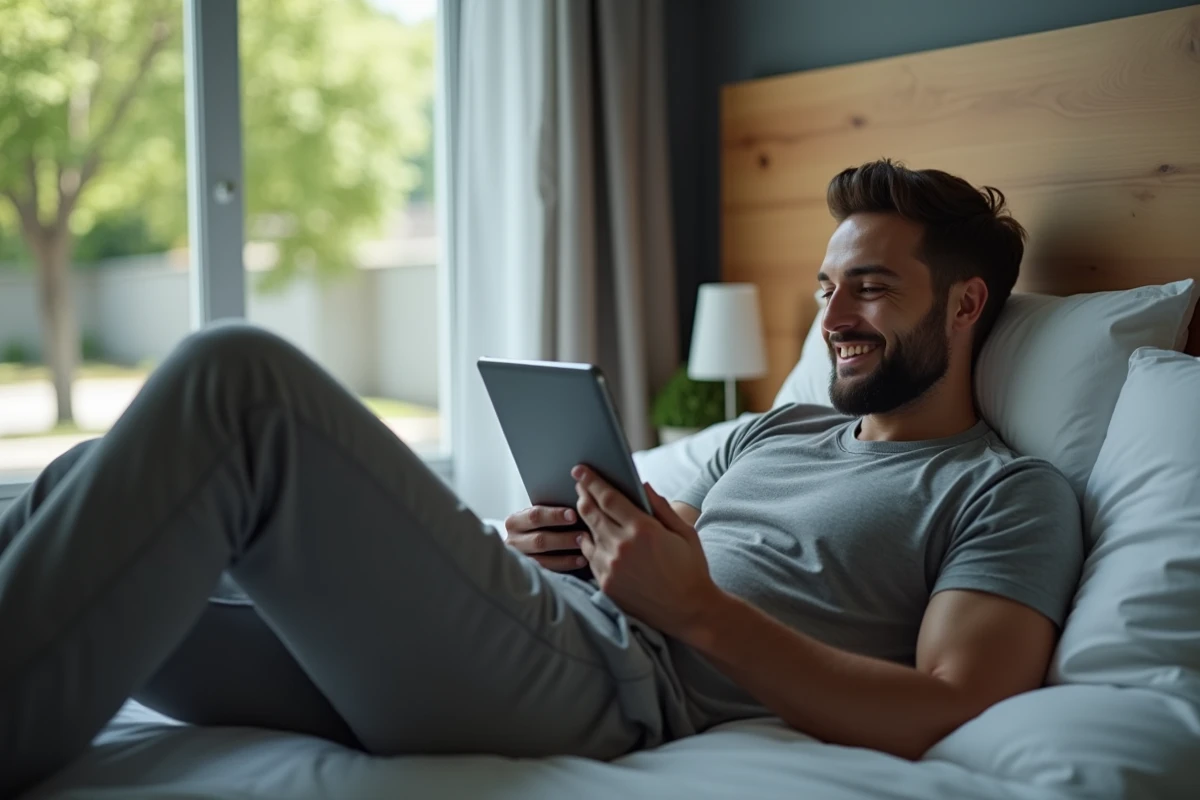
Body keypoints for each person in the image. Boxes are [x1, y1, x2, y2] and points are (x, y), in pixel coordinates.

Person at [0, 160, 1083, 795]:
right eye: (824, 288)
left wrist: (693, 610)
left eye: (872, 288)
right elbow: (688, 549)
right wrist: (591, 542)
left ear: (966, 304)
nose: (832, 319)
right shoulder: (778, 432)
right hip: (544, 625)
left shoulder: (1004, 491)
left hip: (611, 689)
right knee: (78, 479)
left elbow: (950, 707)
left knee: (238, 375)